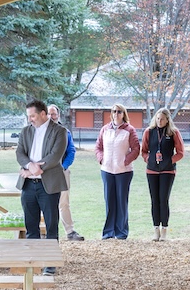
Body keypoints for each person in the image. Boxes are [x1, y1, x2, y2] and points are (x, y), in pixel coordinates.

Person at [15, 100, 68, 274]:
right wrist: (30, 167)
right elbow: (20, 153)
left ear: (43, 114)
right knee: (31, 225)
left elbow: (55, 156)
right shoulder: (26, 131)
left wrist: (35, 169)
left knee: (51, 224)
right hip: (28, 185)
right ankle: (33, 261)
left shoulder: (60, 131)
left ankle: (50, 263)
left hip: (49, 185)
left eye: (33, 116)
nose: (30, 119)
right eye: (28, 116)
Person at [94, 104, 140, 240]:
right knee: (109, 201)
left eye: (119, 111)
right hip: (107, 171)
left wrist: (125, 161)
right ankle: (108, 232)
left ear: (123, 114)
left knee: (121, 201)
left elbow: (136, 148)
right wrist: (101, 158)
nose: (116, 114)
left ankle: (121, 232)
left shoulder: (129, 130)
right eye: (114, 111)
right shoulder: (105, 129)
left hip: (124, 172)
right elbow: (98, 147)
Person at [141, 107, 185, 241]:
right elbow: (143, 150)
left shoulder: (173, 132)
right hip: (152, 170)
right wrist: (149, 159)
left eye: (162, 119)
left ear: (167, 120)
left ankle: (164, 229)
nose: (160, 121)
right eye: (158, 118)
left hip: (168, 171)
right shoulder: (149, 132)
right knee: (154, 200)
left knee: (163, 199)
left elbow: (180, 152)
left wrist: (169, 161)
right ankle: (156, 230)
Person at [48, 104, 85, 241]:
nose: (51, 116)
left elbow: (71, 151)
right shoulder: (41, 132)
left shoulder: (65, 132)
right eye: (49, 114)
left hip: (62, 172)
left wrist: (64, 166)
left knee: (63, 203)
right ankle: (44, 231)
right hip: (45, 173)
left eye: (54, 114)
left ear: (58, 115)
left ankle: (70, 232)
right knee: (45, 202)